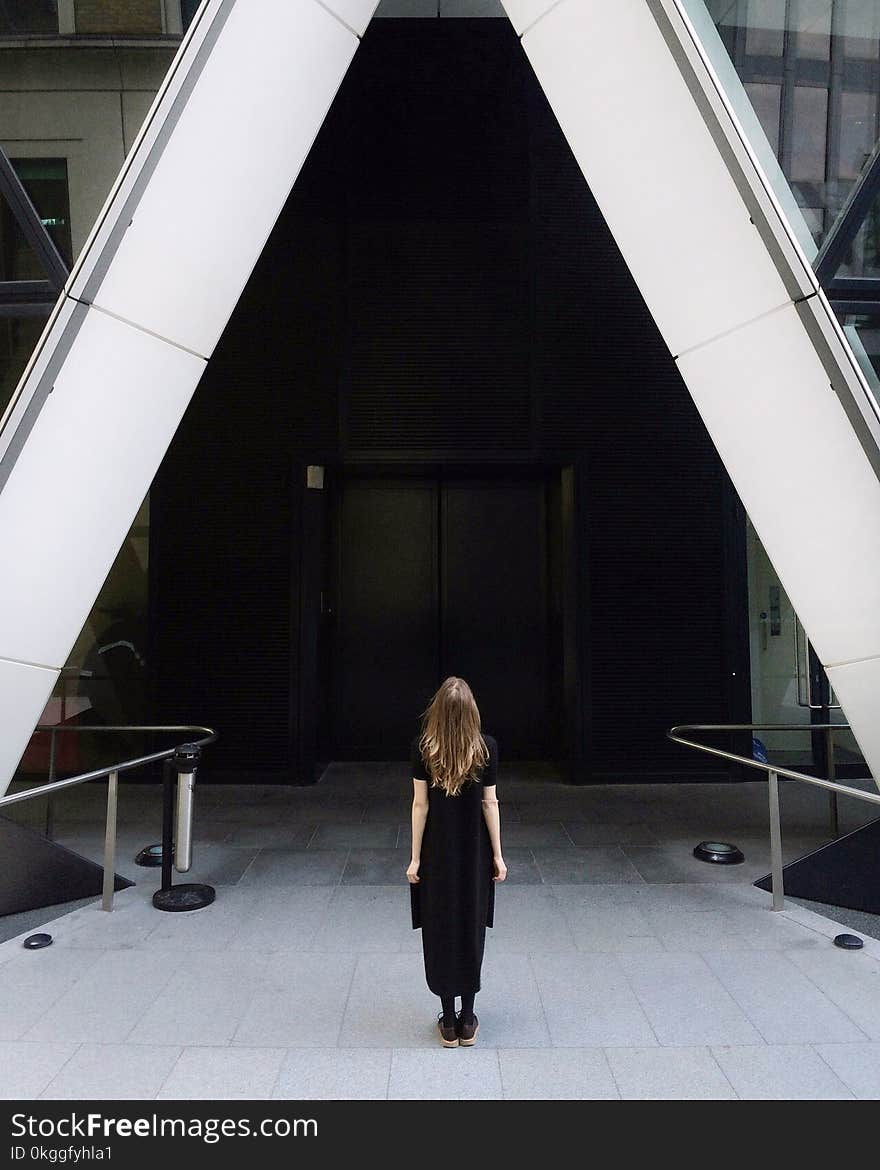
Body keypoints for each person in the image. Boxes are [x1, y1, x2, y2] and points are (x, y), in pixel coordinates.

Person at [406, 676, 507, 1048]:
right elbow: (489, 803)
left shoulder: (423, 749)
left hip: (436, 856)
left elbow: (420, 805)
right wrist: (497, 855)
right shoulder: (486, 749)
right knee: (470, 927)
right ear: (471, 713)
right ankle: (468, 1019)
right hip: (474, 856)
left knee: (440, 929)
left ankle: (447, 1022)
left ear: (437, 712)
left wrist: (415, 858)